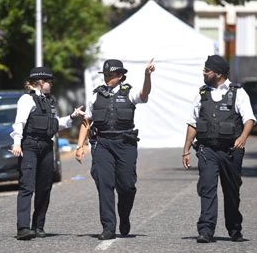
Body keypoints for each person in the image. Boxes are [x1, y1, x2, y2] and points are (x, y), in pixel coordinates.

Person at [75, 58, 155, 240]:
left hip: (125, 143)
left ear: (120, 76)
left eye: (110, 75)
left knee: (127, 186)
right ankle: (108, 227)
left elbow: (144, 94)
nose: (106, 78)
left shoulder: (130, 92)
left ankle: (124, 215)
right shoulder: (96, 95)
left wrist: (147, 75)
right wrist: (79, 146)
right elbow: (86, 121)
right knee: (104, 185)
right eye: (105, 75)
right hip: (102, 144)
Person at [182, 55, 256, 243]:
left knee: (231, 191)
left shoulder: (238, 93)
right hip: (207, 150)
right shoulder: (201, 94)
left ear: (218, 74)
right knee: (207, 188)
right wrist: (186, 149)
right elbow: (193, 123)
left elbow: (250, 119)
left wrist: (242, 137)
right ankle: (206, 230)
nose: (204, 73)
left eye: (207, 70)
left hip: (231, 150)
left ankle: (234, 228)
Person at [11, 66, 85, 240]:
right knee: (27, 186)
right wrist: (16, 143)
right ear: (40, 82)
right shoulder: (26, 99)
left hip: (46, 147)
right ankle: (23, 228)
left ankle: (38, 226)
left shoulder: (49, 101)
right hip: (29, 146)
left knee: (45, 187)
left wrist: (72, 117)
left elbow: (54, 124)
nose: (51, 84)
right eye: (49, 81)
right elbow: (19, 123)